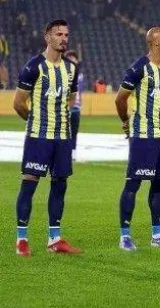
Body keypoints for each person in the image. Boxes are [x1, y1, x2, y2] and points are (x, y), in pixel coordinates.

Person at [14, 19, 81, 256]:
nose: (63, 38)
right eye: (58, 34)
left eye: (66, 35)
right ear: (47, 37)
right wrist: (36, 121)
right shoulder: (33, 67)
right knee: (30, 182)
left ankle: (55, 239)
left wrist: (59, 118)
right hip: (38, 136)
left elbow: (71, 100)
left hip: (62, 137)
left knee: (60, 184)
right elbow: (19, 103)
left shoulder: (71, 68)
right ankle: (22, 239)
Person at [115, 27, 160, 251]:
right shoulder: (139, 67)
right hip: (143, 134)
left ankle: (158, 235)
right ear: (154, 42)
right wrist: (126, 122)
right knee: (133, 183)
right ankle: (125, 236)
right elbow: (120, 99)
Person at [64, 50, 83, 161]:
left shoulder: (79, 75)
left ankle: (73, 153)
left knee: (74, 132)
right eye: (70, 58)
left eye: (74, 58)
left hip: (76, 107)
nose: (72, 60)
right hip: (64, 106)